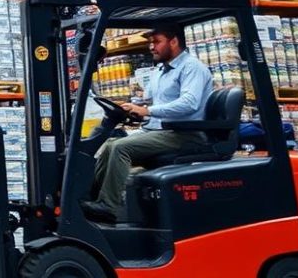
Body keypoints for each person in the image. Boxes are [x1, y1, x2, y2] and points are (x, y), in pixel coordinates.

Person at [81, 25, 213, 223]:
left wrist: (147, 111)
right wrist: (130, 106)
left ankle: (108, 206)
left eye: (156, 42)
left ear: (174, 41)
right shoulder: (161, 70)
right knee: (108, 145)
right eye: (150, 42)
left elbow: (189, 103)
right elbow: (150, 101)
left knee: (120, 148)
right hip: (160, 131)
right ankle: (91, 199)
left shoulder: (192, 67)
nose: (151, 47)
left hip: (185, 134)